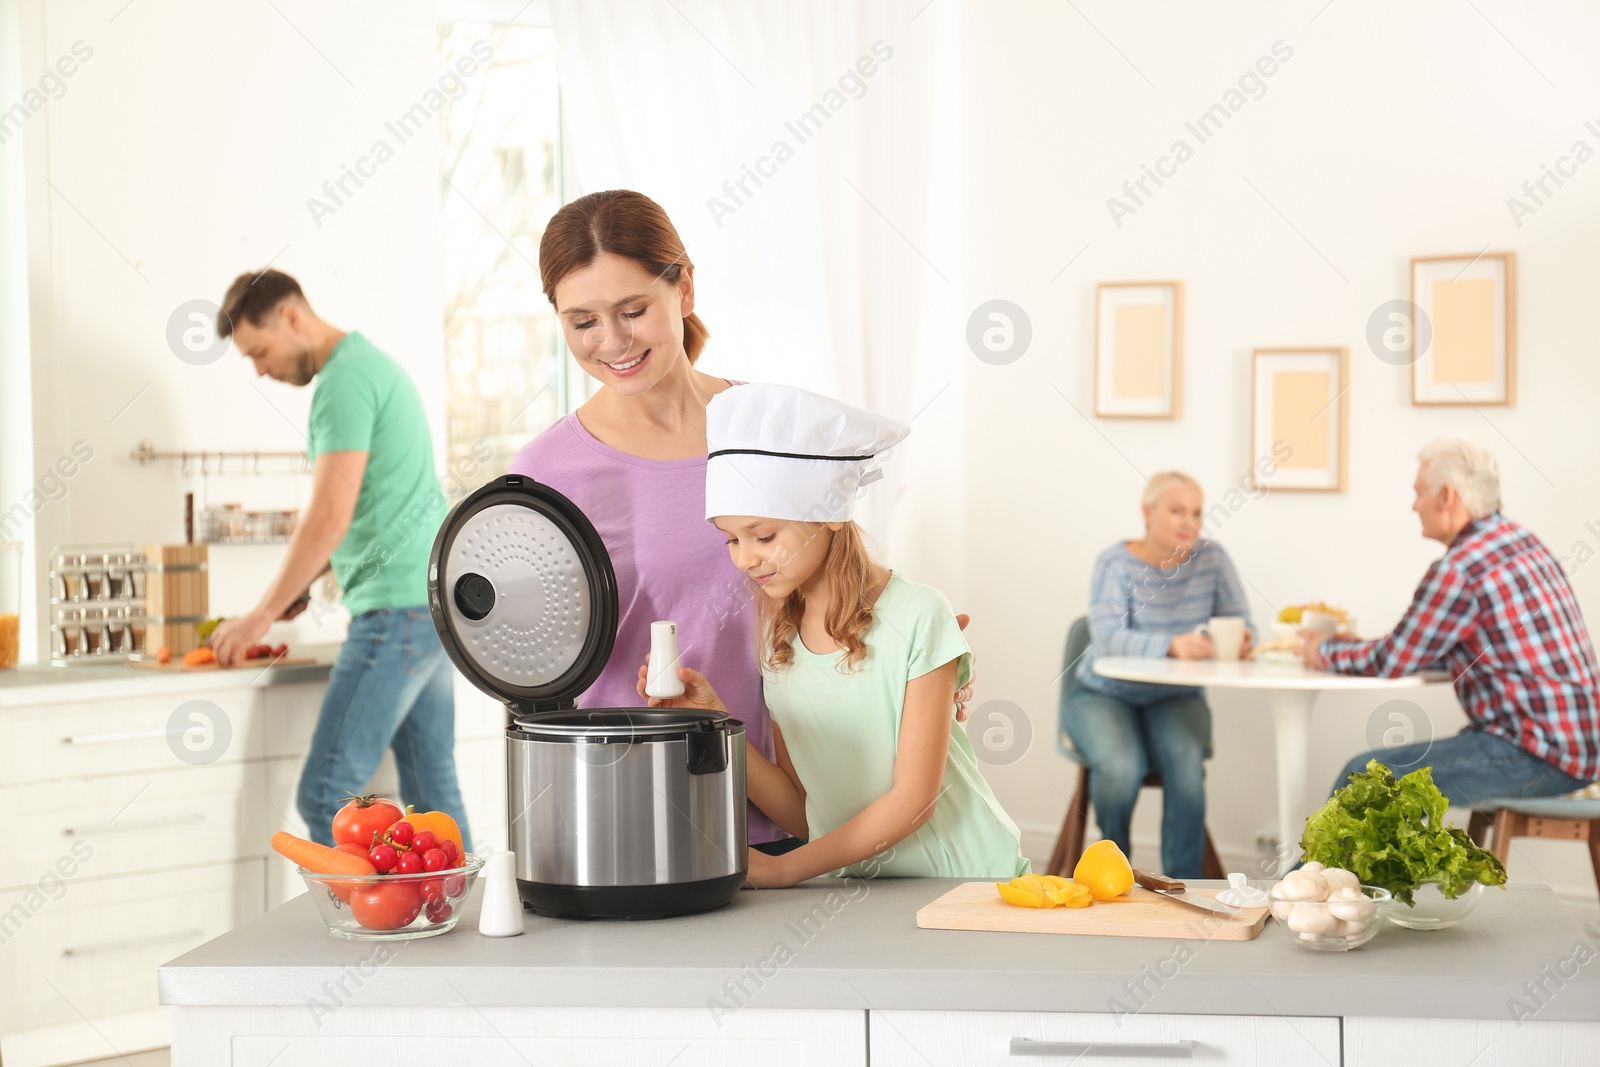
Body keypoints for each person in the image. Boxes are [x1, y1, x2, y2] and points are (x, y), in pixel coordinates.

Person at [509, 190, 972, 856]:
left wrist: (919, 654)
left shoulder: (768, 431)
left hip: (799, 809)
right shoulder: (547, 474)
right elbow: (527, 659)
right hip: (632, 810)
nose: (611, 342)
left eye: (633, 310)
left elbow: (840, 581)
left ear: (684, 286)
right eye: (582, 321)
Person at [638, 384, 1027, 887]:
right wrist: (715, 723)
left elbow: (915, 800)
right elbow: (808, 815)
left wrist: (784, 870)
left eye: (765, 535)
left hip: (963, 881)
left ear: (829, 518)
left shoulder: (918, 613)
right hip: (862, 894)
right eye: (732, 539)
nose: (745, 558)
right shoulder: (777, 642)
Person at [209, 270, 471, 849]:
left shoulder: (343, 382)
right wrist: (312, 580)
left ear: (292, 318)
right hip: (431, 607)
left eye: (259, 351)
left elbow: (330, 515)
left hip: (397, 614)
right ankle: (461, 922)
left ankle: (369, 931)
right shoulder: (372, 366)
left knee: (327, 793)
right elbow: (382, 502)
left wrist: (259, 616)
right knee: (433, 794)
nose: (259, 370)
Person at [1306, 438, 1599, 804]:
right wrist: (1355, 646)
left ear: (1446, 496)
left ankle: (1311, 866)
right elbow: (1443, 647)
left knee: (1364, 779)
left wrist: (1324, 649)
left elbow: (1394, 660)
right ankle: (1375, 864)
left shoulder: (1460, 568)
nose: (1414, 506)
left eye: (1418, 493)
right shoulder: (1522, 541)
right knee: (1392, 796)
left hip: (1537, 756)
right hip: (1580, 750)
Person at [1064, 471, 1254, 878]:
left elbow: (1241, 621)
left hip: (1175, 695)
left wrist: (1240, 640)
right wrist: (1173, 644)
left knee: (1186, 764)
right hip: (1103, 693)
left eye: (1197, 513)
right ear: (1147, 513)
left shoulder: (1213, 560)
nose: (1190, 522)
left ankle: (1186, 885)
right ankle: (1113, 875)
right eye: (1177, 510)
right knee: (1120, 767)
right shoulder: (1114, 563)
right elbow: (1109, 638)